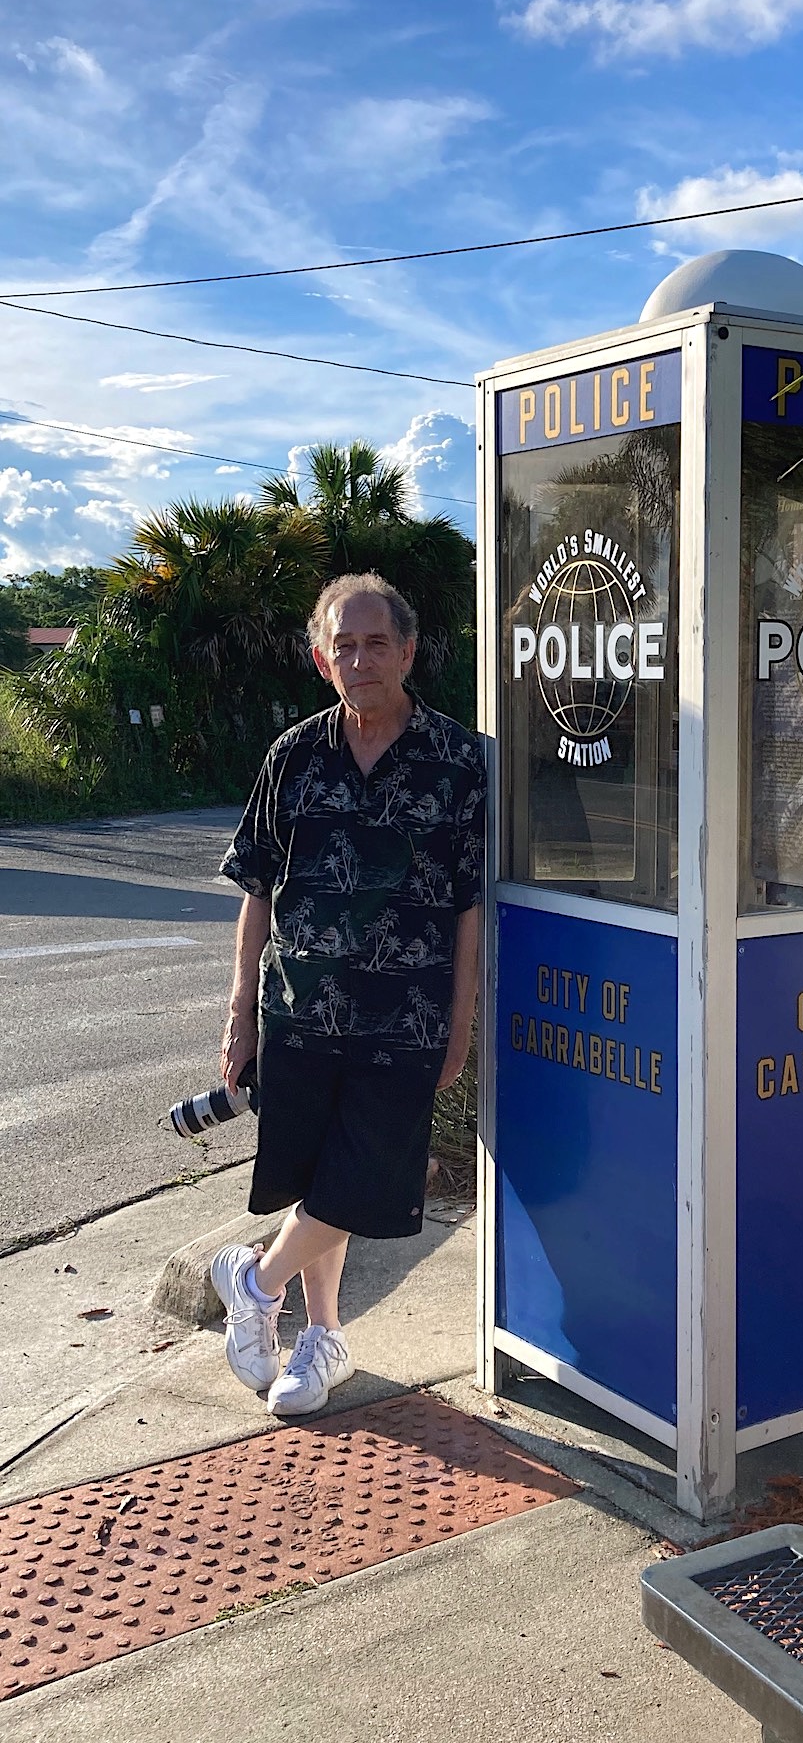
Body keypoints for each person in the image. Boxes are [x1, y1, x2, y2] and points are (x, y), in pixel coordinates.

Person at [210, 571, 485, 1415]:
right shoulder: (292, 754)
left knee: (363, 1181)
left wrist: (460, 1026)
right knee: (313, 1180)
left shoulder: (460, 760)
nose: (360, 658)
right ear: (321, 657)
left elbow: (471, 904)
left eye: (377, 642)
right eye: (344, 644)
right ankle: (319, 1341)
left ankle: (253, 1282)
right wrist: (239, 1017)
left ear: (407, 651)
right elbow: (258, 891)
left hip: (406, 1018)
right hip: (299, 1011)